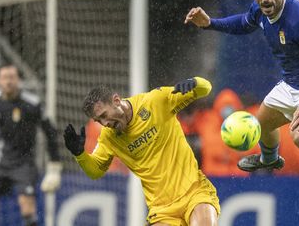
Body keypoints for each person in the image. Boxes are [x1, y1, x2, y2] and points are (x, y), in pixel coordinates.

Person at [185, 0, 299, 225]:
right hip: (290, 85)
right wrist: (210, 23)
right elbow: (244, 24)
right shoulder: (259, 9)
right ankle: (270, 159)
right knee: (264, 121)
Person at [63, 77, 220, 226]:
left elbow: (205, 88)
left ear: (116, 100)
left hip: (195, 192)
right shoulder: (108, 138)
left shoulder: (155, 101)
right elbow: (95, 171)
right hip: (162, 210)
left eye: (104, 115)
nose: (105, 123)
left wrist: (194, 83)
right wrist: (80, 155)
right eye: (99, 120)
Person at [0, 63, 62, 226]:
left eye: (12, 77)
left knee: (27, 209)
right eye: (4, 78)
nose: (8, 82)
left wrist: (54, 167)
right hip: (0, 162)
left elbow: (51, 133)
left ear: (18, 80)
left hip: (24, 164)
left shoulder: (32, 104)